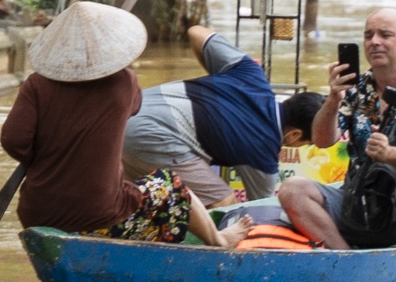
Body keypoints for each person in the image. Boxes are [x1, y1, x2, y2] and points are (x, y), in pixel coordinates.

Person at [0, 2, 250, 248]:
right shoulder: (124, 82)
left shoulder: (37, 84)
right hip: (102, 214)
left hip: (38, 212)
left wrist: (46, 153)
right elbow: (134, 107)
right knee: (169, 182)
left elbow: (14, 141)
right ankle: (218, 240)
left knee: (133, 187)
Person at [277, 8, 396, 250]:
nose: (374, 42)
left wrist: (390, 154)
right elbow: (322, 141)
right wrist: (332, 99)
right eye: (368, 35)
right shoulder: (355, 89)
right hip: (358, 204)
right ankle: (345, 257)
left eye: (385, 35)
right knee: (292, 189)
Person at [121, 24, 323, 206]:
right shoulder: (264, 154)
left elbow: (196, 32)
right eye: (308, 143)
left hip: (124, 112)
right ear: (295, 135)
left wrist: (217, 76)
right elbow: (261, 208)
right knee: (224, 202)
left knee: (129, 196)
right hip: (150, 134)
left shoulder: (251, 74)